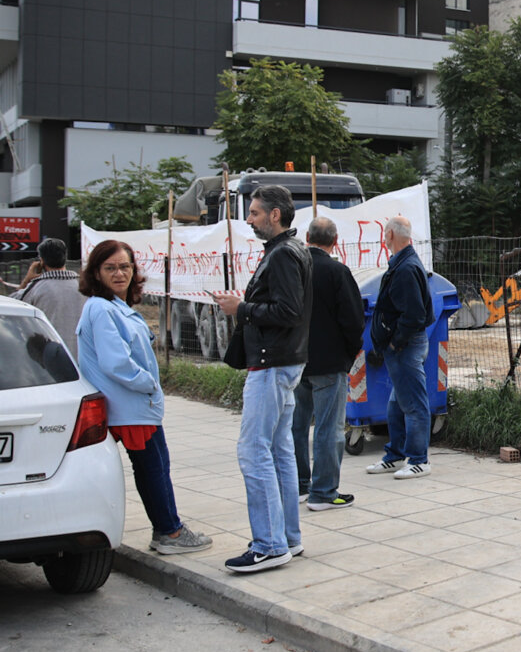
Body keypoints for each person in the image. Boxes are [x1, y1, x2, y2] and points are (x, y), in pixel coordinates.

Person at [76, 239, 212, 556]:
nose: (119, 273)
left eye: (125, 266)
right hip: (130, 406)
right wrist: (148, 383)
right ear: (96, 273)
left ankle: (167, 528)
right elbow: (116, 362)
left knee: (155, 467)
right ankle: (170, 532)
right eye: (110, 268)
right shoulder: (101, 307)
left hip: (135, 405)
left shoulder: (115, 307)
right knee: (153, 469)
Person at [211, 185, 312, 573]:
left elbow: (287, 310)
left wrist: (243, 308)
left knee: (254, 451)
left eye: (254, 213)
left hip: (272, 364)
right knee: (279, 449)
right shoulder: (289, 251)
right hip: (282, 362)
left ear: (275, 215)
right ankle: (287, 537)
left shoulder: (284, 254)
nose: (249, 219)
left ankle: (270, 544)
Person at [294, 216, 364, 511]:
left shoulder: (293, 268)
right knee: (328, 428)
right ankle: (323, 492)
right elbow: (353, 319)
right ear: (335, 242)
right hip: (329, 362)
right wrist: (348, 355)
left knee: (296, 425)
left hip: (296, 361)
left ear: (307, 237)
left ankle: (299, 483)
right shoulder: (337, 271)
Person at [364, 215, 434, 480]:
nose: (383, 236)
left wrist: (395, 342)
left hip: (405, 347)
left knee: (414, 404)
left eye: (384, 232)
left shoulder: (405, 269)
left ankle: (419, 460)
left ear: (391, 234)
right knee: (397, 403)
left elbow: (414, 315)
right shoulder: (402, 264)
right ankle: (394, 455)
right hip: (403, 347)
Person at [16, 237, 85, 358]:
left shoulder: (35, 288)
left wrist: (27, 279)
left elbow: (12, 304)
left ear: (41, 261)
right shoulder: (85, 287)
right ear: (65, 257)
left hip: (50, 359)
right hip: (82, 358)